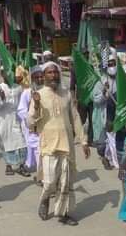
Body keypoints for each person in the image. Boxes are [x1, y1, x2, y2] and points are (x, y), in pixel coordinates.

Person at [28, 61, 90, 225]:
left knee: (65, 181)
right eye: (49, 73)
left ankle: (64, 213)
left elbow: (75, 118)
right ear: (44, 76)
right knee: (49, 182)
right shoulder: (38, 95)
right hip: (49, 145)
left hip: (67, 144)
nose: (53, 75)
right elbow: (30, 122)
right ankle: (45, 198)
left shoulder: (66, 94)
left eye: (55, 72)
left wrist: (83, 141)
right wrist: (35, 104)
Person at [0, 69, 30, 177]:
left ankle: (21, 165)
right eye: (7, 74)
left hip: (16, 117)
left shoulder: (17, 88)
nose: (9, 76)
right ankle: (8, 165)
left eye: (11, 74)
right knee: (5, 143)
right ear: (3, 75)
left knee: (21, 142)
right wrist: (1, 99)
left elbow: (23, 101)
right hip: (4, 119)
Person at [18, 65, 44, 183]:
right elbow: (21, 110)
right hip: (33, 129)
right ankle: (42, 178)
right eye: (36, 77)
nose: (39, 79)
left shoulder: (47, 91)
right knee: (39, 153)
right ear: (32, 79)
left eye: (41, 76)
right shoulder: (27, 93)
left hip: (47, 129)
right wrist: (31, 118)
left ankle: (43, 177)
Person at [93, 54, 117, 169]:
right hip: (106, 115)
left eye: (114, 63)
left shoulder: (121, 80)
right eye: (110, 64)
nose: (112, 66)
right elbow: (96, 99)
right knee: (103, 143)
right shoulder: (101, 81)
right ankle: (105, 157)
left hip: (118, 114)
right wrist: (103, 92)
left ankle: (115, 158)